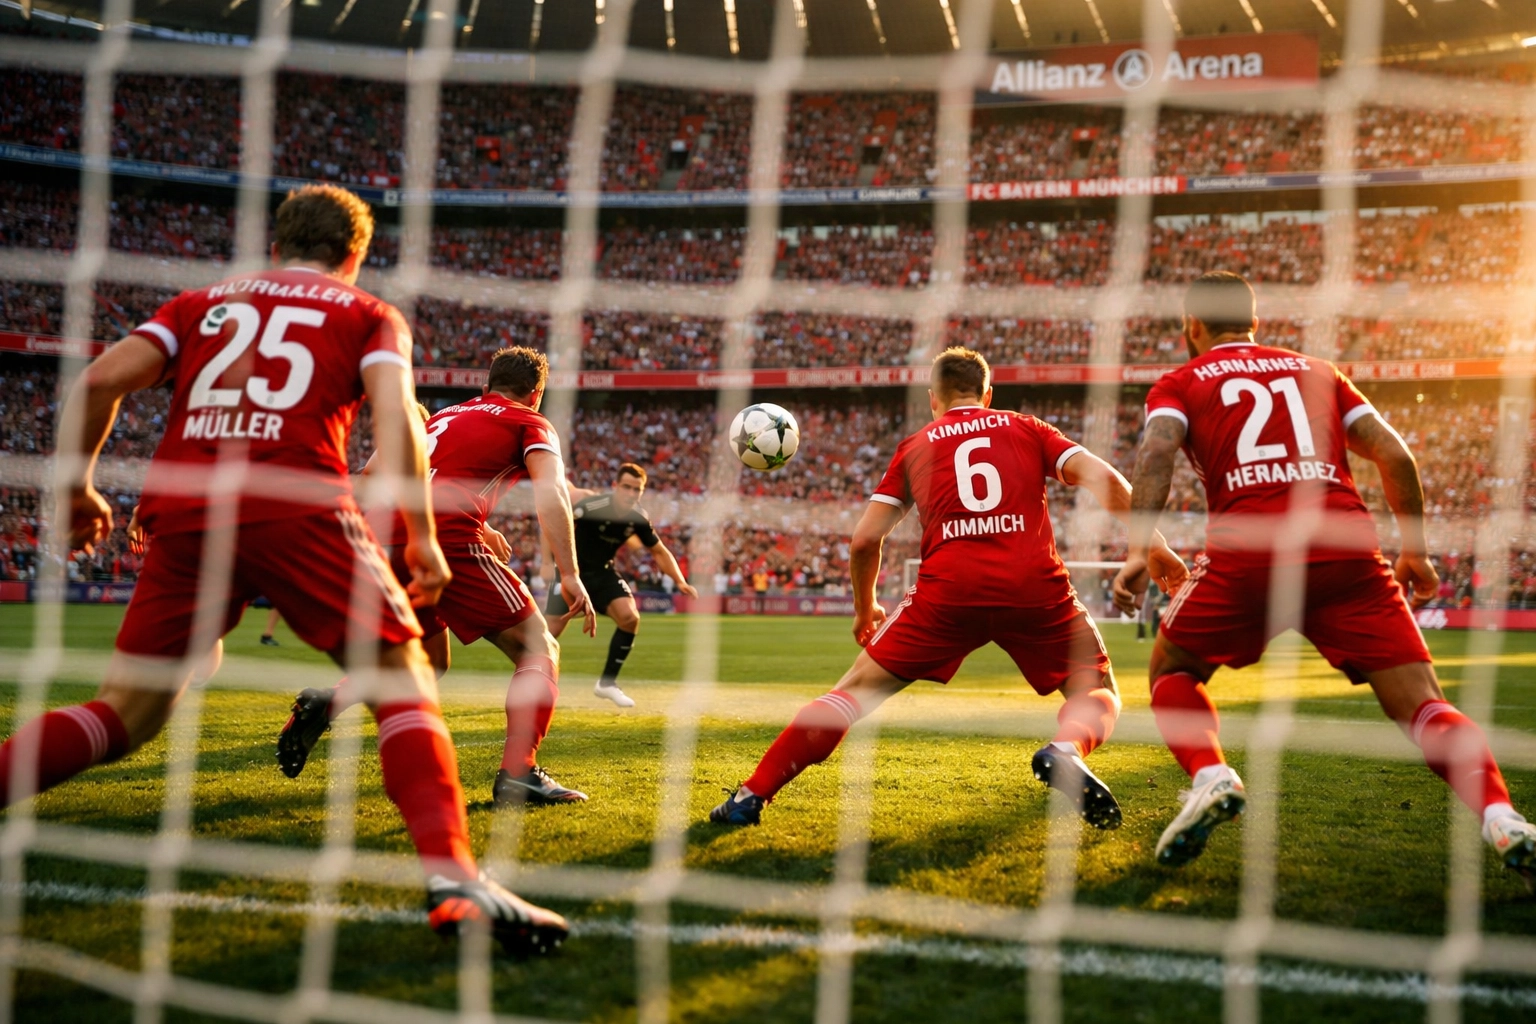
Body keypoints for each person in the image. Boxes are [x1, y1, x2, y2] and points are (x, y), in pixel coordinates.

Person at [0, 184, 568, 956]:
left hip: (187, 511)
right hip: (295, 505)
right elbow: (396, 418)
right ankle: (455, 881)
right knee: (403, 678)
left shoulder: (201, 304)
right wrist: (425, 538)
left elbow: (98, 380)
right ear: (356, 257)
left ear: (275, 246)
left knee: (124, 714)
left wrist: (75, 485)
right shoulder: (366, 314)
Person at [1114, 270, 1535, 884]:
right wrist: (1413, 549)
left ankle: (1211, 776)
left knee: (1173, 670)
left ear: (1192, 328)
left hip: (1249, 554)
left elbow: (1155, 451)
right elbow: (1394, 453)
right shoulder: (1318, 370)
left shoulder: (1180, 381)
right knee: (1423, 705)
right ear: (1255, 322)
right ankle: (1502, 817)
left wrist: (1134, 550)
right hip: (1344, 551)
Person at [711, 347, 1189, 828]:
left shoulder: (916, 445)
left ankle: (751, 796)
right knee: (1098, 691)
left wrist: (865, 608)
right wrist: (1153, 545)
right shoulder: (1027, 427)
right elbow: (1102, 477)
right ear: (988, 394)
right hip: (1034, 588)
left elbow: (864, 540)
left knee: (851, 693)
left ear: (932, 400)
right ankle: (1067, 749)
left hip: (947, 593)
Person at [280, 348, 597, 807]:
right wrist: (569, 572)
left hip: (388, 542)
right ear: (537, 394)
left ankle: (327, 703)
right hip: (446, 542)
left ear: (485, 387)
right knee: (538, 646)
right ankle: (519, 774)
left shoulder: (439, 417)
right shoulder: (529, 420)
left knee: (429, 664)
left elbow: (370, 478)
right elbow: (551, 492)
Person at [545, 463, 697, 708]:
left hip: (604, 572)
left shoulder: (637, 518)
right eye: (626, 486)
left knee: (630, 618)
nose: (630, 493)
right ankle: (532, 684)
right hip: (573, 573)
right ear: (615, 486)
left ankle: (607, 684)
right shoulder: (591, 507)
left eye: (636, 489)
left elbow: (660, 551)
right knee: (550, 632)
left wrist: (679, 580)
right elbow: (553, 522)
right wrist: (547, 561)